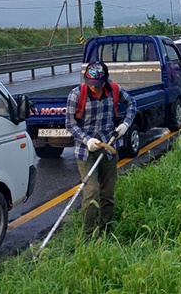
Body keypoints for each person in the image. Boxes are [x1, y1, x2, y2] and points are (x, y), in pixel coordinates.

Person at [65, 61, 136, 238]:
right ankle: (89, 234)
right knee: (91, 192)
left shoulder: (114, 90)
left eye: (97, 85)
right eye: (90, 85)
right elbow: (70, 124)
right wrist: (87, 140)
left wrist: (125, 126)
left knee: (108, 192)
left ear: (105, 81)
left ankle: (106, 229)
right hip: (85, 150)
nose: (94, 89)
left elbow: (132, 104)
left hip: (109, 147)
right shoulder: (76, 95)